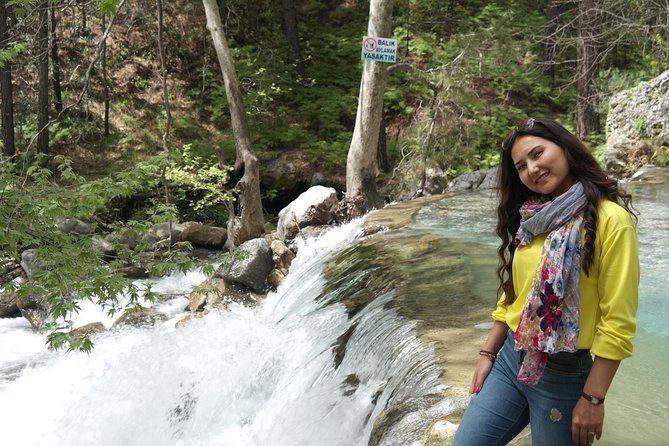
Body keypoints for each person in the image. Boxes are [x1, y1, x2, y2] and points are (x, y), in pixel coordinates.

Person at [452, 118, 639, 446]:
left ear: (565, 147)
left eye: (538, 153)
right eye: (521, 166)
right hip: (512, 358)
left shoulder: (611, 220)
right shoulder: (533, 217)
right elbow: (514, 295)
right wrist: (487, 353)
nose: (532, 169)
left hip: (565, 373)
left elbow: (617, 323)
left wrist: (594, 399)